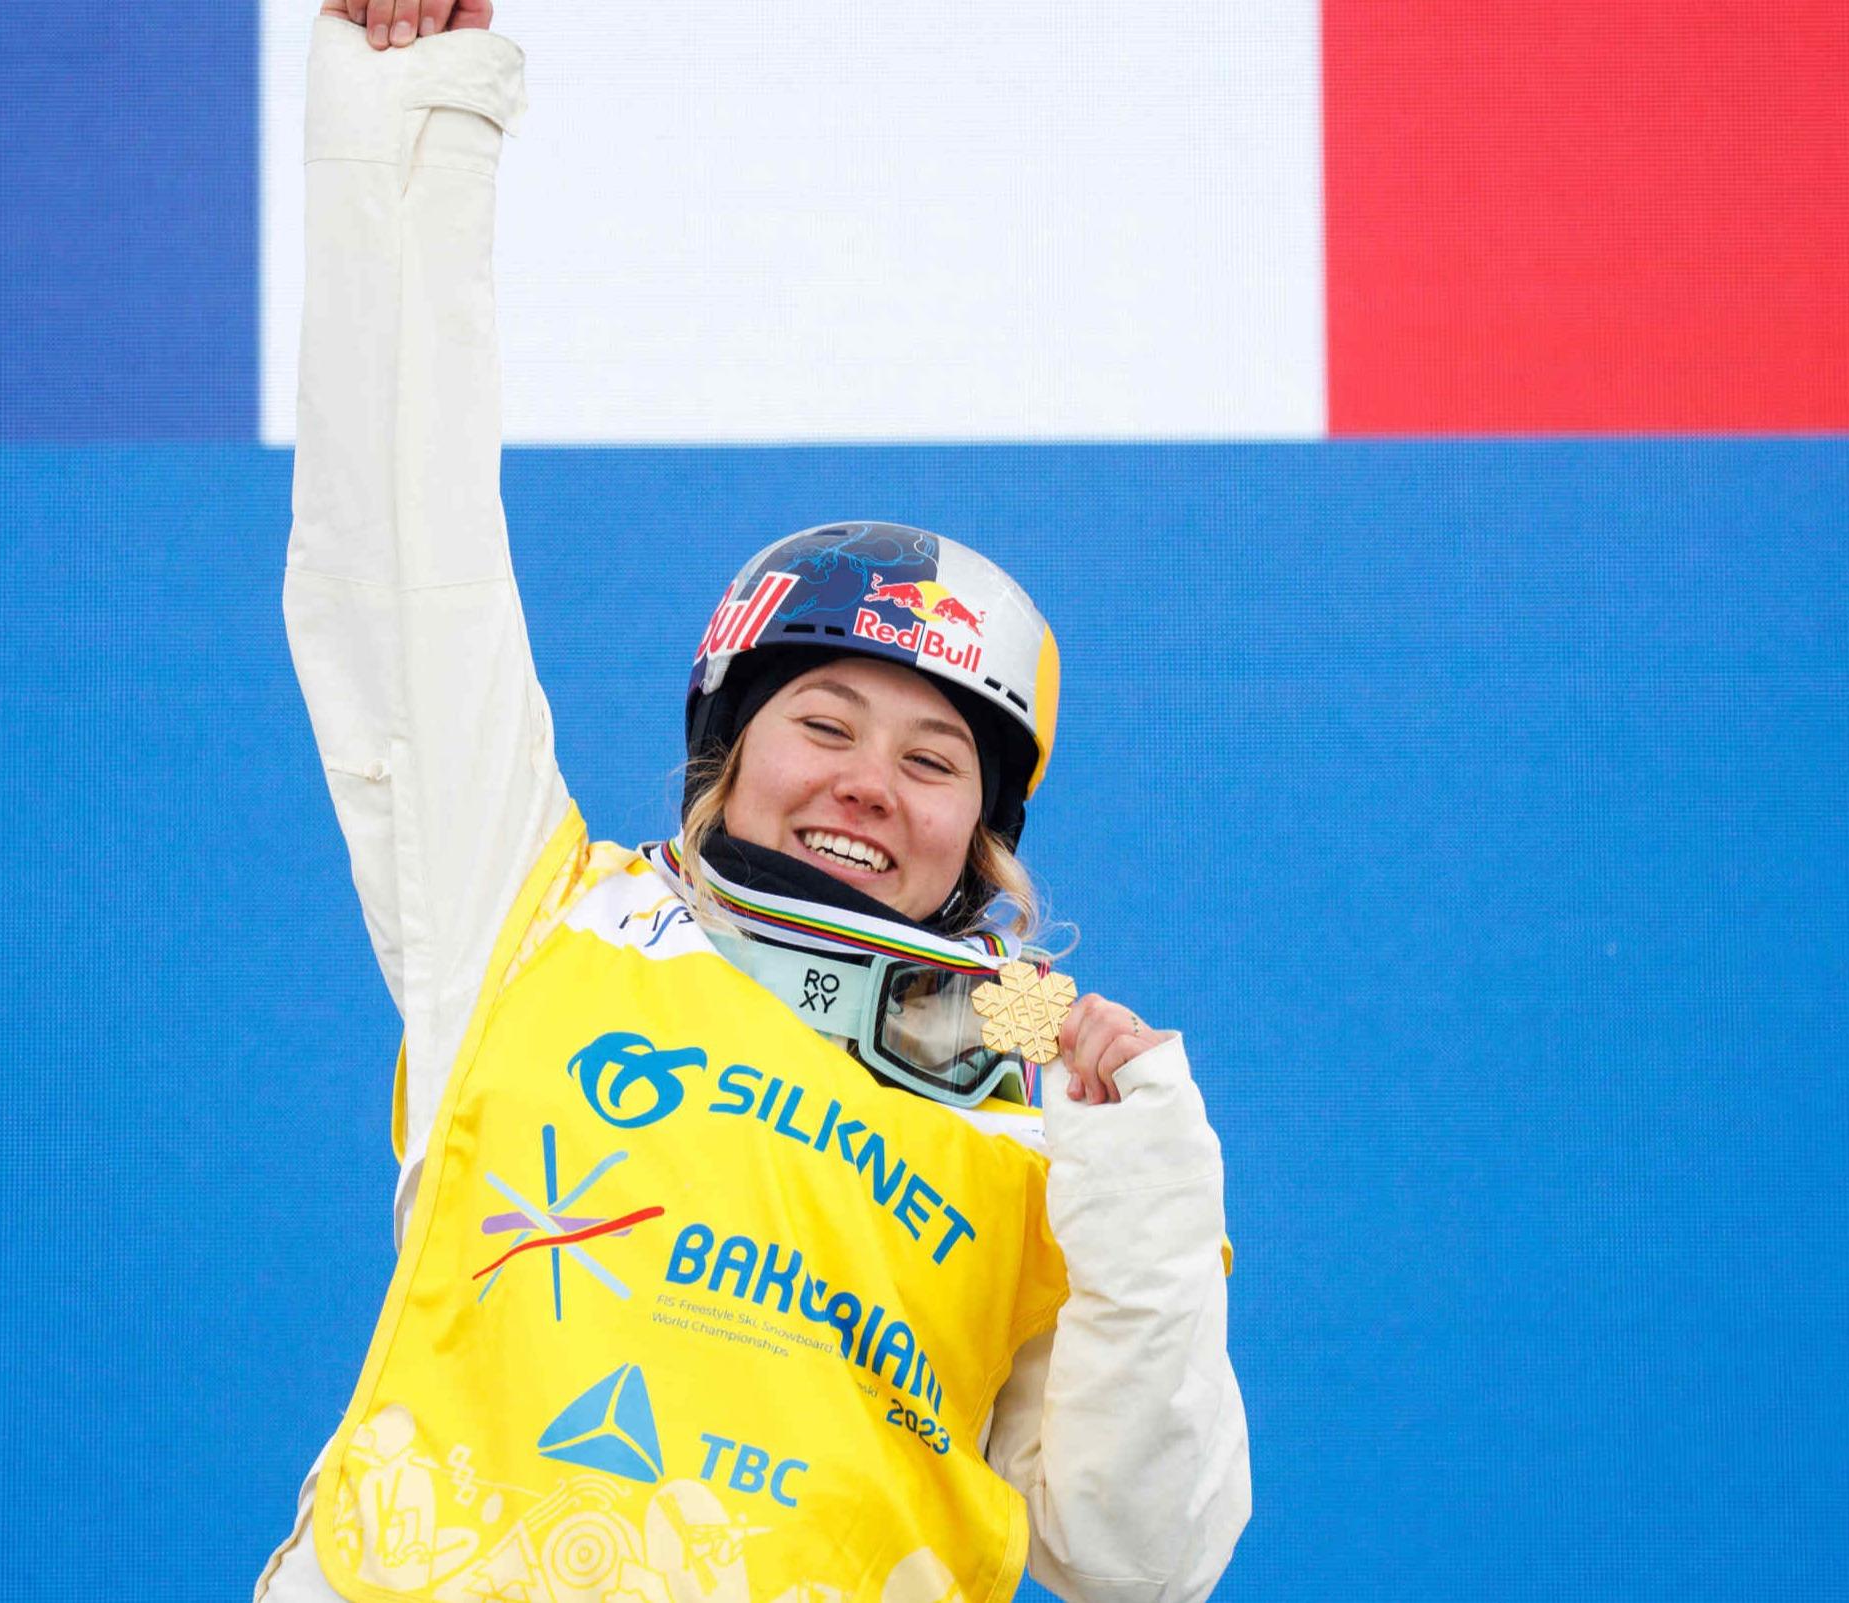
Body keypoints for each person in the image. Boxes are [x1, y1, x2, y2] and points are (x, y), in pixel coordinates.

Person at [257, 8, 1250, 1603]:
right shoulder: (537, 921)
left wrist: (1142, 1178)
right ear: (728, 757)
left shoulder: (1040, 1112)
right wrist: (410, 123)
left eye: (934, 762)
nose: (868, 779)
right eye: (825, 722)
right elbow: (398, 557)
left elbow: (1140, 1560)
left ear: (979, 844)